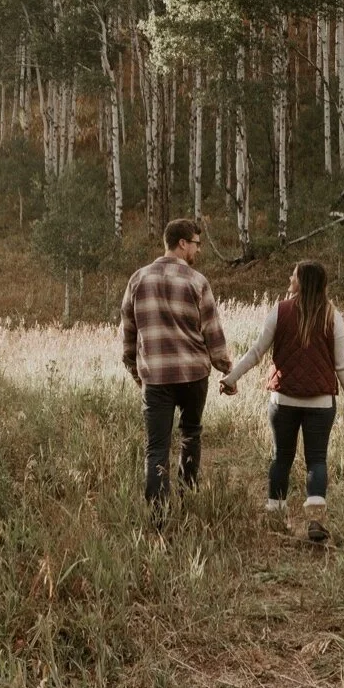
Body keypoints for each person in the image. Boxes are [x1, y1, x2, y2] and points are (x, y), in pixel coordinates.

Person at [219, 260, 344, 542]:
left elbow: (256, 351)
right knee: (316, 459)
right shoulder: (333, 316)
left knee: (281, 457)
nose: (289, 279)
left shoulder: (280, 311)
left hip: (283, 400)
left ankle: (275, 518)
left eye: (293, 276)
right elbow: (342, 366)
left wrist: (231, 378)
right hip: (320, 402)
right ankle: (315, 521)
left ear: (302, 282)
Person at [120, 218, 232, 515]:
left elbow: (128, 334)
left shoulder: (138, 279)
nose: (199, 249)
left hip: (156, 377)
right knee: (191, 434)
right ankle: (187, 498)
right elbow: (213, 333)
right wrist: (226, 370)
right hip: (194, 375)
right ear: (182, 243)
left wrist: (136, 372)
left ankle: (158, 516)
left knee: (156, 447)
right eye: (196, 243)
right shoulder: (197, 281)